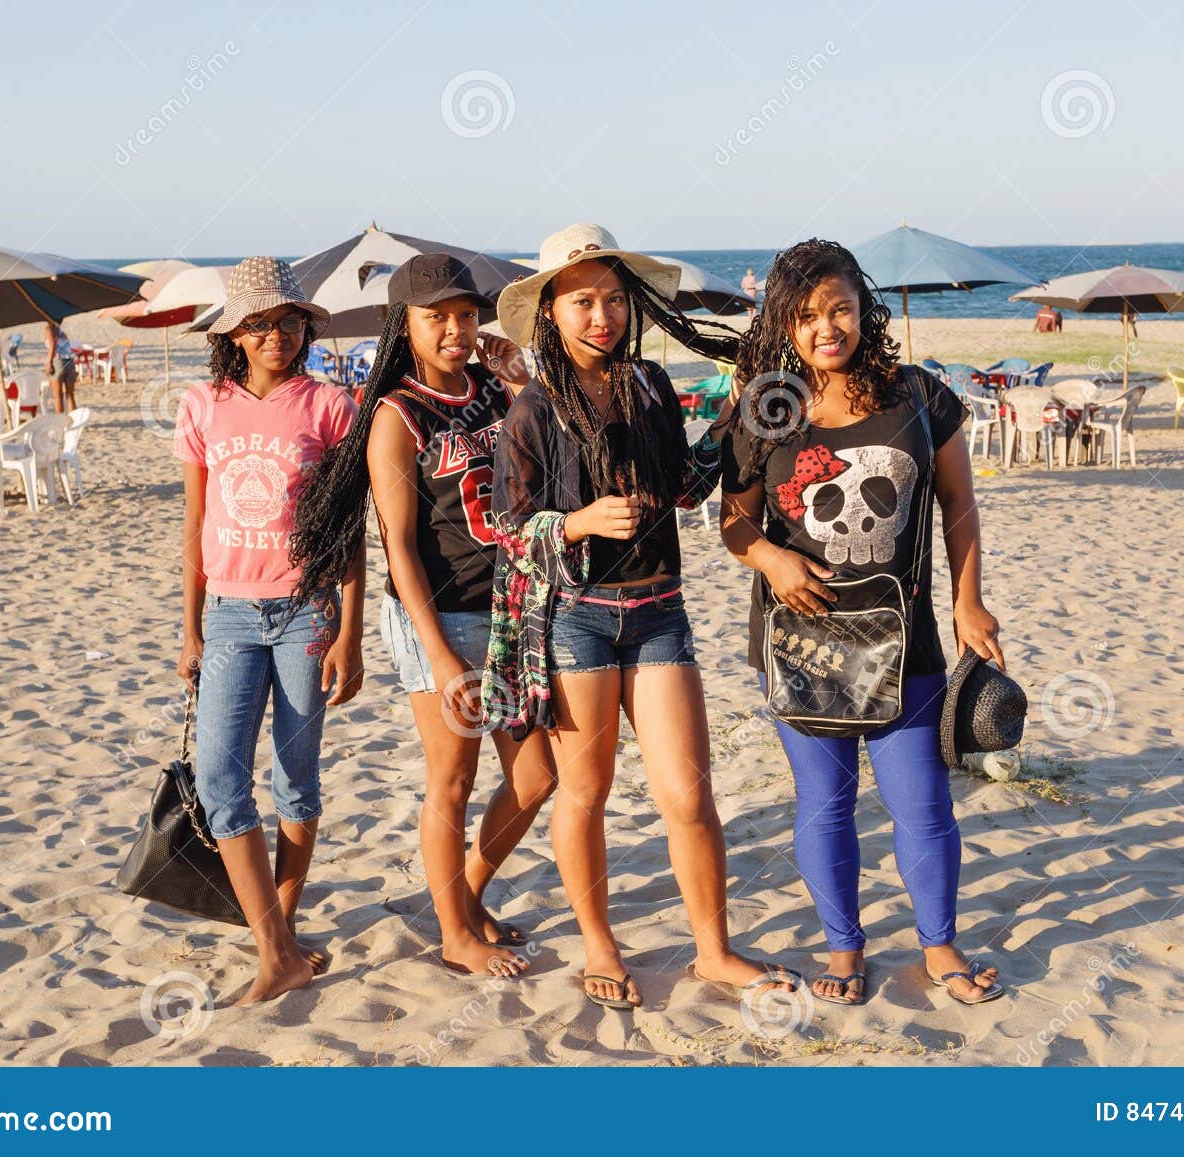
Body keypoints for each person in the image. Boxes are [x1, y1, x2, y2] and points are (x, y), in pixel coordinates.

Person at [487, 223, 799, 1010]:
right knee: (583, 793)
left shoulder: (654, 386)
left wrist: (737, 412)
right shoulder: (532, 409)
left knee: (690, 796)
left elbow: (689, 486)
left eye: (616, 300)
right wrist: (581, 521)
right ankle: (599, 943)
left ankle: (714, 949)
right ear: (550, 314)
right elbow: (508, 529)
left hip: (660, 613)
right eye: (583, 301)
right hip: (578, 621)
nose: (603, 316)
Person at [720, 239, 1007, 1008]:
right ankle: (844, 949)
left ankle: (939, 944)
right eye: (807, 315)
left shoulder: (919, 395)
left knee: (923, 803)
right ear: (784, 323)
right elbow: (734, 523)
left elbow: (960, 508)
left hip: (904, 642)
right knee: (826, 803)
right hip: (798, 641)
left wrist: (967, 599)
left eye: (839, 308)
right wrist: (772, 563)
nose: (826, 327)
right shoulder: (764, 406)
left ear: (863, 307)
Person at [288, 254, 555, 980]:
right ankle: (454, 933)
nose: (455, 329)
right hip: (437, 617)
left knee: (536, 777)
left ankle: (463, 894)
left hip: (507, 612)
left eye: (466, 315)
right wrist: (438, 657)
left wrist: (521, 378)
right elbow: (398, 547)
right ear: (404, 326)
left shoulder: (494, 393)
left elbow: (554, 460)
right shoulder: (395, 415)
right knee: (454, 780)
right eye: (437, 317)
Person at [174, 257, 364, 1005]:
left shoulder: (330, 407)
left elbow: (349, 527)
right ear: (237, 334)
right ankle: (277, 947)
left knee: (295, 778)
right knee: (220, 777)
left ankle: (279, 934)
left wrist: (348, 630)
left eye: (290, 321)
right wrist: (188, 629)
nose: (278, 334)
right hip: (226, 614)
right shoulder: (203, 405)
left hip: (307, 613)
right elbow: (194, 522)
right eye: (262, 323)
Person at [45, 322, 77, 411]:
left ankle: (60, 423)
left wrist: (49, 362)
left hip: (58, 362)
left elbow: (53, 345)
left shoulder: (49, 329)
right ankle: (74, 421)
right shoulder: (61, 332)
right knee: (70, 395)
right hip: (70, 361)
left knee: (58, 395)